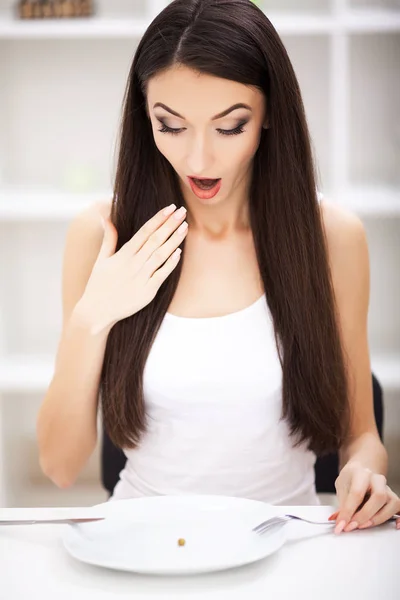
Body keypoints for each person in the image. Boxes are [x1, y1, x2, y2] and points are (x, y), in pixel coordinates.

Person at [37, 0, 400, 534]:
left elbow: (360, 435)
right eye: (171, 125)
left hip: (286, 541)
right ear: (145, 116)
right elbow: (60, 466)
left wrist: (365, 473)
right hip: (139, 543)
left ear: (270, 113)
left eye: (230, 127)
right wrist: (93, 317)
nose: (199, 160)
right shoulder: (101, 237)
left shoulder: (332, 239)